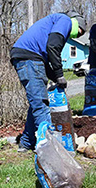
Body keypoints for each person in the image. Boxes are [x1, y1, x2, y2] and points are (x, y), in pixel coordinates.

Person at [10, 11, 86, 152]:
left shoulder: (52, 23)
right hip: (29, 59)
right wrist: (60, 74)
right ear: (77, 23)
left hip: (27, 57)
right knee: (41, 104)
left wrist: (56, 78)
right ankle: (50, 149)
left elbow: (45, 60)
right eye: (80, 32)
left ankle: (26, 142)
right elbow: (53, 47)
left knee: (36, 102)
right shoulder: (65, 20)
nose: (78, 35)